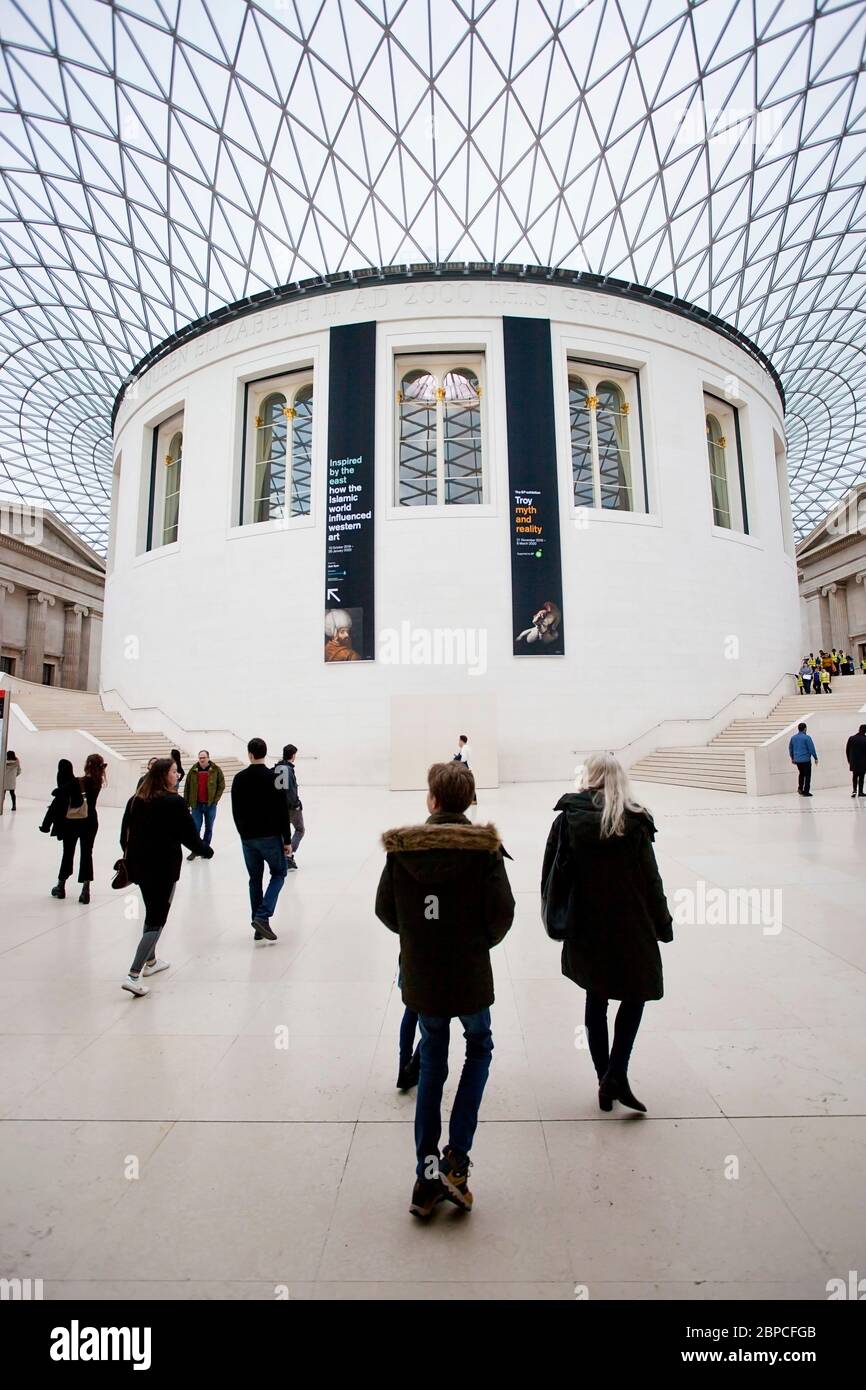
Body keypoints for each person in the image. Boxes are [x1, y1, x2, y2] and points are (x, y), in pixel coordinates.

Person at [375, 760, 515, 1219]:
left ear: (432, 800)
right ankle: (457, 1160)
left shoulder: (403, 849)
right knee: (479, 1048)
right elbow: (502, 914)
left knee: (432, 1058)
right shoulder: (485, 850)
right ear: (469, 801)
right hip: (470, 974)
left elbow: (386, 912)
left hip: (425, 976)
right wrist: (474, 945)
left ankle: (426, 1175)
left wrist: (418, 939)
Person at [543, 753, 673, 1115]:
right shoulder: (634, 821)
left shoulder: (569, 820)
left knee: (596, 998)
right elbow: (651, 880)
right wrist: (663, 923)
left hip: (587, 923)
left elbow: (555, 876)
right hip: (631, 923)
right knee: (637, 994)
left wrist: (556, 918)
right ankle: (615, 1073)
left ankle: (607, 1077)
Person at [120, 757, 213, 996]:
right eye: (174, 772)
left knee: (151, 910)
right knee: (157, 919)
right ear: (164, 775)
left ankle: (151, 962)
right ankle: (133, 974)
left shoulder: (136, 800)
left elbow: (124, 836)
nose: (178, 775)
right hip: (163, 869)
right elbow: (189, 836)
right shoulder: (174, 802)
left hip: (139, 867)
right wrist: (206, 850)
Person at [231, 737, 291, 941]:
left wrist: (242, 833)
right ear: (265, 754)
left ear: (249, 754)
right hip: (270, 836)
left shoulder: (239, 778)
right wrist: (287, 839)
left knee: (254, 879)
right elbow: (282, 811)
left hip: (248, 838)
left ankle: (258, 925)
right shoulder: (275, 777)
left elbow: (235, 810)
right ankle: (262, 917)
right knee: (279, 873)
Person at [39, 759, 85, 892]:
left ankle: (61, 885)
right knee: (86, 855)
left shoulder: (62, 789)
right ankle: (85, 889)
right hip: (82, 823)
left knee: (68, 854)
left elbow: (54, 808)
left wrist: (45, 826)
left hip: (68, 825)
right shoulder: (77, 783)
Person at [183, 749, 225, 859]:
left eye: (203, 757)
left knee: (209, 828)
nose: (201, 760)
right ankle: (195, 850)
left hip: (210, 805)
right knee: (195, 828)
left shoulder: (216, 770)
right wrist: (186, 803)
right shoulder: (193, 770)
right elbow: (187, 787)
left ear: (208, 758)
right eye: (200, 758)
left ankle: (205, 849)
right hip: (196, 805)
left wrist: (215, 800)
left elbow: (221, 785)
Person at [273, 744, 304, 870]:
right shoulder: (288, 769)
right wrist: (296, 804)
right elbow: (290, 790)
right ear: (293, 755)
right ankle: (289, 854)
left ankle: (284, 855)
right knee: (300, 829)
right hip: (290, 807)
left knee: (282, 832)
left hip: (277, 807)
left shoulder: (277, 768)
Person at [789, 722, 818, 796]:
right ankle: (806, 791)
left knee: (801, 774)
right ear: (805, 729)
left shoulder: (793, 738)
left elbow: (790, 748)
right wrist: (815, 757)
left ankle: (800, 788)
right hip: (806, 760)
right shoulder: (807, 737)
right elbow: (811, 749)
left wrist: (793, 758)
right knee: (807, 775)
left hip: (797, 760)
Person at [453, 734, 477, 807]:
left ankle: (472, 800)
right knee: (468, 784)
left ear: (461, 741)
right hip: (468, 768)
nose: (458, 742)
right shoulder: (467, 747)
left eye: (459, 741)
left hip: (465, 769)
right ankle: (473, 800)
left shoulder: (464, 748)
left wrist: (457, 761)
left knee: (465, 784)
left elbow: (463, 759)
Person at [845, 724, 866, 798]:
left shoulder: (851, 738)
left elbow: (847, 750)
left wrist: (849, 760)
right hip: (863, 762)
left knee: (854, 776)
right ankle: (860, 792)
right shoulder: (865, 739)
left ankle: (854, 791)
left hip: (853, 762)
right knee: (861, 777)